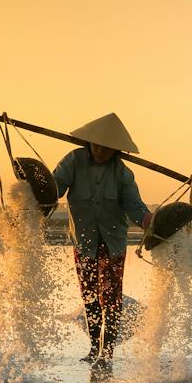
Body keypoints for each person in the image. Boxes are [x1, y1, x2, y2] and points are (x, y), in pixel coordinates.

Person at [51, 114, 152, 365]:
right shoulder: (73, 162)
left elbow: (135, 208)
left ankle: (107, 354)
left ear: (115, 149)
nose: (98, 150)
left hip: (112, 243)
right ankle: (94, 348)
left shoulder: (122, 174)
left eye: (105, 147)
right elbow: (55, 188)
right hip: (84, 243)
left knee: (111, 299)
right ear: (89, 142)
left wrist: (150, 221)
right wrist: (35, 189)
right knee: (90, 297)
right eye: (95, 145)